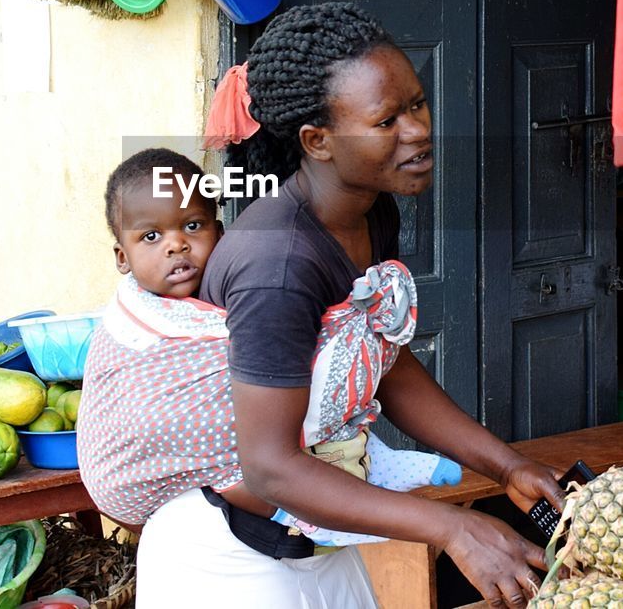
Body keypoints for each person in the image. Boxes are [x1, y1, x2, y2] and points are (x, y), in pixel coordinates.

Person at [129, 3, 566, 608]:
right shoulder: (277, 266)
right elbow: (271, 467)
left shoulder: (368, 210)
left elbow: (387, 365)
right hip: (228, 559)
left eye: (416, 103)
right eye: (387, 120)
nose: (417, 130)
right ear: (318, 141)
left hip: (313, 536)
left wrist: (506, 466)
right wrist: (453, 526)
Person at [76, 147, 462, 548]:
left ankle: (368, 458)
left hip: (258, 492)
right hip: (177, 483)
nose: (176, 246)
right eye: (151, 237)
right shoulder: (137, 316)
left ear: (220, 235)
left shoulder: (241, 280)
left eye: (192, 226)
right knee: (251, 446)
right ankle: (302, 513)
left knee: (302, 384)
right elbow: (133, 406)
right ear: (123, 258)